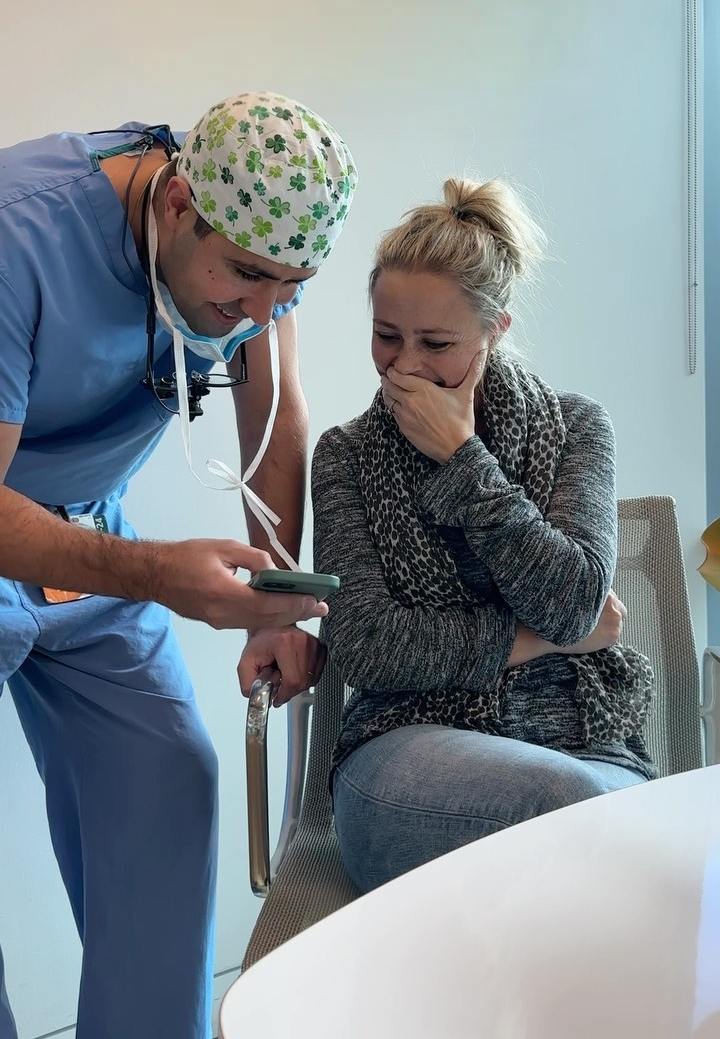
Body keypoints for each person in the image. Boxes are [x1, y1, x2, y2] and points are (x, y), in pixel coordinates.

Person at [0, 93, 357, 1038]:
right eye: (244, 280)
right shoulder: (18, 237)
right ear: (175, 202)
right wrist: (158, 574)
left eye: (288, 288)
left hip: (84, 548)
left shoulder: (260, 234)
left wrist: (277, 603)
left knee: (168, 782)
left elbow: (273, 408)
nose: (256, 311)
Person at [312, 176, 654, 895]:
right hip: (404, 755)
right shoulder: (344, 456)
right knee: (586, 825)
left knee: (616, 856)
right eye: (385, 336)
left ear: (495, 330)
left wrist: (464, 462)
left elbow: (572, 601)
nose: (403, 366)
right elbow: (370, 648)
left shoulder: (577, 428)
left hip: (585, 743)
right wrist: (543, 642)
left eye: (436, 343)